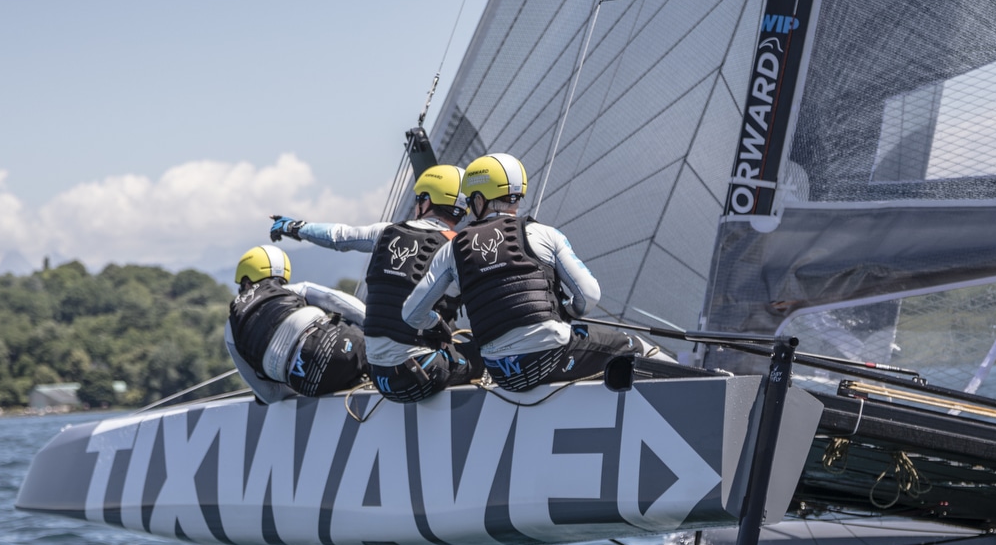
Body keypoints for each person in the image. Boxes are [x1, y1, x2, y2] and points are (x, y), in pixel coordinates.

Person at [401, 152, 668, 393]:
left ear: (480, 199)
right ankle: (706, 381)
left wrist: (437, 324)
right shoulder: (544, 234)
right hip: (551, 358)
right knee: (636, 346)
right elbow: (589, 296)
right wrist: (569, 311)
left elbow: (412, 314)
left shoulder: (453, 249)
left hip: (501, 373)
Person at [268, 165, 482, 403]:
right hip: (420, 376)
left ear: (426, 200)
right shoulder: (460, 247)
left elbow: (339, 236)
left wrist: (294, 227)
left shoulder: (385, 232)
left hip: (379, 376)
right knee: (482, 353)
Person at [225, 244, 368, 403]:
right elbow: (338, 301)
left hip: (306, 383)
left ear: (245, 283)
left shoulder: (231, 329)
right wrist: (379, 327)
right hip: (333, 344)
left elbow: (269, 395)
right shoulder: (292, 289)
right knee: (382, 350)